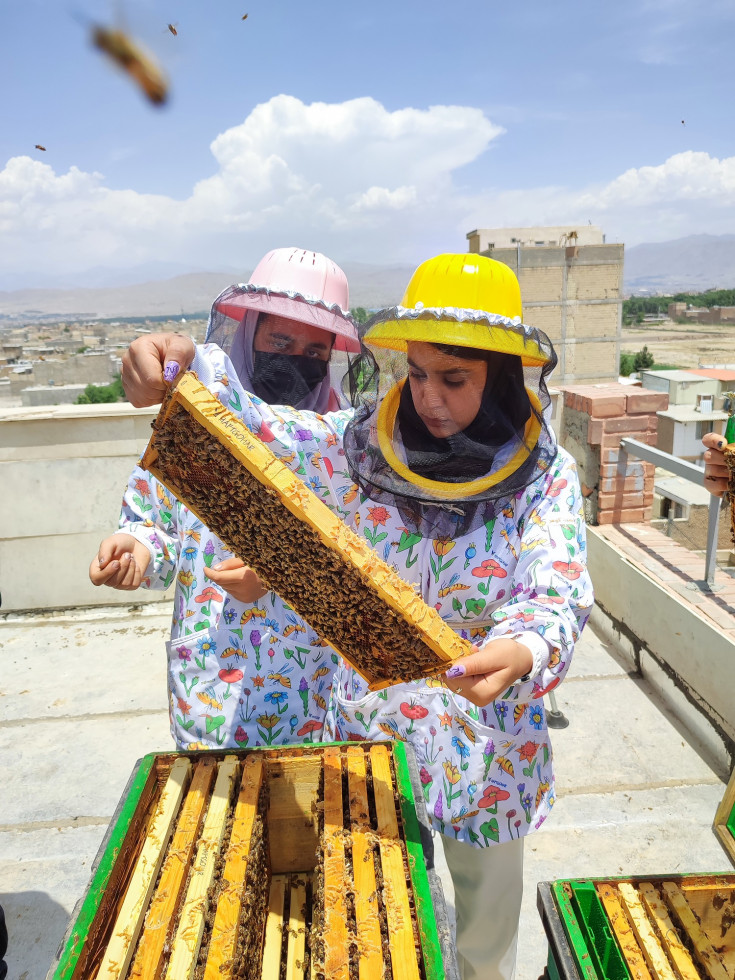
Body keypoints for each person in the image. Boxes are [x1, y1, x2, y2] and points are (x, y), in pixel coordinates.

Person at [129, 252, 593, 980]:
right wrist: (186, 368)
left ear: (501, 376)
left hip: (485, 743)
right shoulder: (358, 442)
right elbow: (263, 427)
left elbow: (556, 579)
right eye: (417, 372)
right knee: (380, 915)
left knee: (482, 935)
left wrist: (528, 646)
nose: (430, 397)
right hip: (378, 732)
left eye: (454, 378)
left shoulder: (545, 473)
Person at [89, 247, 361, 750]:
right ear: (251, 334)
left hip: (313, 687)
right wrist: (137, 550)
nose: (297, 360)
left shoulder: (343, 442)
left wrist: (285, 571)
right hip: (214, 686)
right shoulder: (189, 424)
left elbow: (363, 561)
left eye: (315, 352)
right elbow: (154, 519)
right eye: (281, 340)